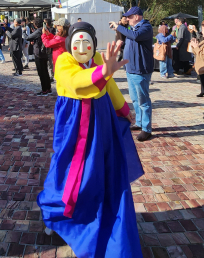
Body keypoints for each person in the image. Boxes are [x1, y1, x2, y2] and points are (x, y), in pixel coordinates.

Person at [37, 23, 143, 258]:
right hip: (74, 123)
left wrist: (124, 109)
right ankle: (59, 213)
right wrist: (104, 72)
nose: (82, 48)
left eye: (87, 43)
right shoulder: (64, 61)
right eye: (77, 43)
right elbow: (76, 82)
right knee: (70, 167)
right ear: (69, 45)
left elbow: (110, 86)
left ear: (94, 43)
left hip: (101, 118)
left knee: (102, 165)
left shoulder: (96, 58)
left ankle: (102, 209)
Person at [110, 6, 154, 142]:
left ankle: (146, 129)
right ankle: (139, 122)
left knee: (143, 101)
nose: (127, 19)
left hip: (140, 70)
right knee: (135, 99)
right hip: (131, 69)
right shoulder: (132, 29)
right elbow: (130, 39)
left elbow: (136, 36)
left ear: (136, 16)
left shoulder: (145, 27)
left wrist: (119, 27)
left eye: (129, 17)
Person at [26, 18, 52, 95]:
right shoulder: (45, 29)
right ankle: (48, 88)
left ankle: (44, 90)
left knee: (41, 72)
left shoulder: (38, 30)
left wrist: (24, 32)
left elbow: (28, 37)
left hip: (39, 53)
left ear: (35, 25)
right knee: (45, 71)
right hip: (45, 53)